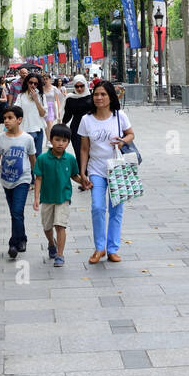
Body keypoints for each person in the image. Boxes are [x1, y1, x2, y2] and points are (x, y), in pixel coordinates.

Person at [78, 81, 135, 264]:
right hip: (96, 169)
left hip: (117, 168)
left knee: (116, 209)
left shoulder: (119, 116)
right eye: (96, 94)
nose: (99, 98)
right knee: (97, 207)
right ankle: (99, 248)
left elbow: (131, 134)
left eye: (103, 94)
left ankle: (112, 249)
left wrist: (122, 141)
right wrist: (83, 172)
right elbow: (84, 148)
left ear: (111, 97)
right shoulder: (86, 120)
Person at [0, 105, 35, 259]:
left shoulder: (27, 139)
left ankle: (13, 244)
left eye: (10, 118)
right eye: (5, 118)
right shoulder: (1, 139)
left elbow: (34, 161)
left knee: (16, 211)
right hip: (6, 180)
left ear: (19, 120)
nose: (6, 121)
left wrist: (39, 181)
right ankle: (22, 238)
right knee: (15, 213)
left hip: (23, 179)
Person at [32, 122, 84, 267]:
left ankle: (60, 255)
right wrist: (36, 198)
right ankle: (51, 243)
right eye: (57, 140)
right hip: (47, 198)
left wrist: (83, 182)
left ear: (68, 142)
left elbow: (74, 175)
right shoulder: (42, 159)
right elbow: (38, 178)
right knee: (47, 227)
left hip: (63, 197)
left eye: (64, 141)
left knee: (60, 226)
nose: (60, 144)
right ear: (51, 139)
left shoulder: (70, 159)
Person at [18, 72, 48, 157]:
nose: (33, 85)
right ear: (27, 82)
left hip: (38, 129)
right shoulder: (21, 96)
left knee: (37, 155)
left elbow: (43, 114)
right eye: (31, 82)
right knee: (26, 155)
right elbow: (17, 112)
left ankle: (35, 171)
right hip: (25, 129)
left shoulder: (41, 96)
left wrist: (36, 100)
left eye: (35, 83)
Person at [62, 75, 94, 142]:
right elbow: (68, 115)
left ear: (85, 85)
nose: (79, 89)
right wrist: (62, 125)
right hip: (76, 129)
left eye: (82, 86)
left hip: (91, 128)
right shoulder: (70, 98)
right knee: (78, 151)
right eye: (77, 86)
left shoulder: (92, 98)